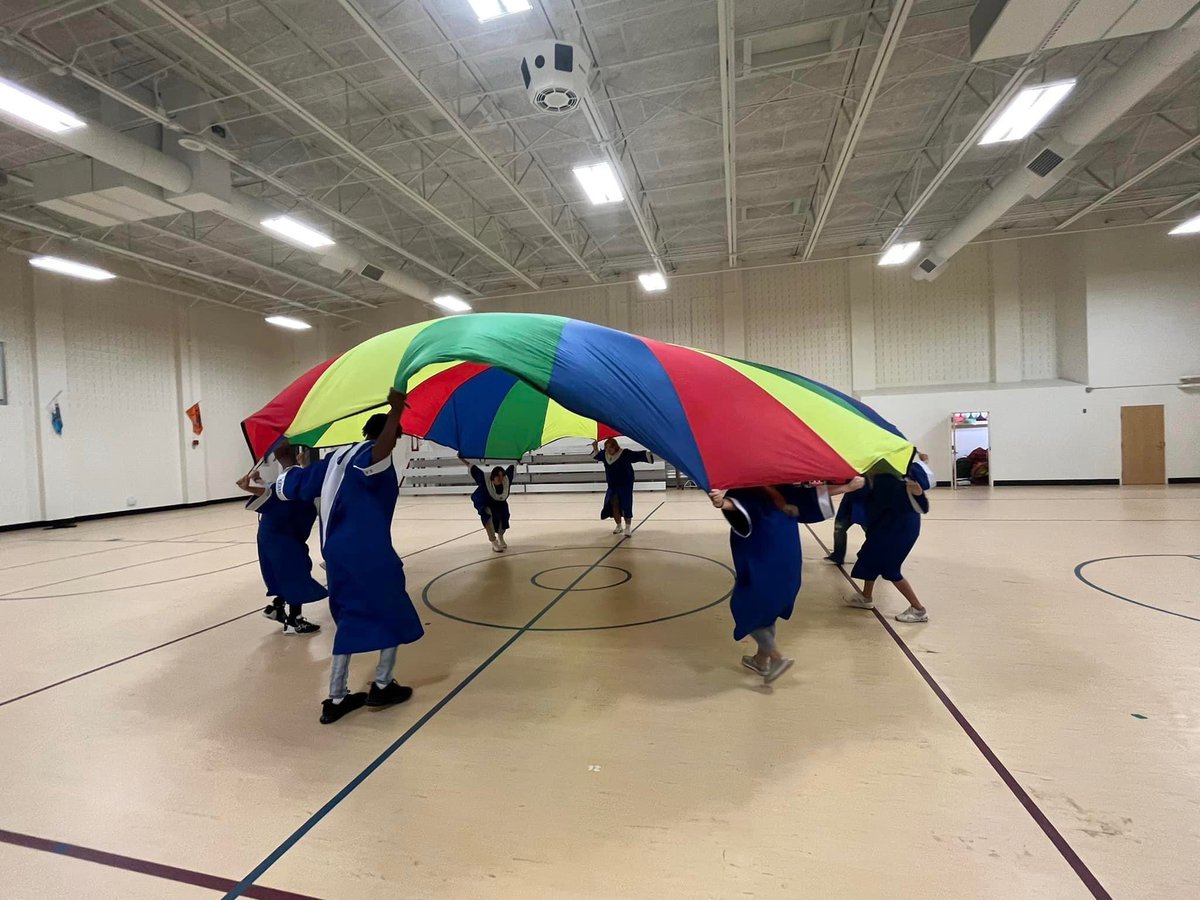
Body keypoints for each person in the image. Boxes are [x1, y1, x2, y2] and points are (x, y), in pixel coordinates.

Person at [276, 388, 425, 724]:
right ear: (393, 435)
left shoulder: (333, 461)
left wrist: (285, 456)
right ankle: (383, 684)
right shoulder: (372, 455)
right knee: (394, 611)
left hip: (336, 555)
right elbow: (380, 452)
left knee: (348, 618)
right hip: (368, 552)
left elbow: (292, 484)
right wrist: (396, 410)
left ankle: (337, 697)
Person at [710, 478, 863, 684]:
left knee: (746, 607)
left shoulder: (748, 487)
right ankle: (760, 660)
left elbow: (737, 506)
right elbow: (814, 500)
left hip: (761, 556)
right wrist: (848, 487)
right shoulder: (786, 485)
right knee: (769, 608)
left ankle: (776, 657)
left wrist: (721, 502)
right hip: (787, 556)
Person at [236, 443, 324, 636]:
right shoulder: (295, 477)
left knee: (283, 572)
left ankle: (276, 607)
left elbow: (275, 491)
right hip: (282, 534)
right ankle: (295, 620)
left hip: (272, 531)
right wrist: (251, 487)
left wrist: (256, 484)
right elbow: (274, 494)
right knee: (296, 573)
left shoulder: (287, 476)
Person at [844, 458, 930, 623]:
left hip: (900, 529)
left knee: (890, 568)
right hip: (884, 525)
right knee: (870, 558)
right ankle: (865, 597)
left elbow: (918, 492)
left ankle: (918, 609)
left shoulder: (897, 478)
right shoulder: (882, 477)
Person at [592, 438, 655, 536]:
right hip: (612, 485)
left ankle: (628, 527)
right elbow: (597, 456)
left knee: (626, 505)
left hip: (625, 485)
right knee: (614, 505)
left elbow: (637, 456)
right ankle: (619, 525)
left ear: (615, 447)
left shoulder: (624, 453)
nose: (608, 449)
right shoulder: (605, 455)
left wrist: (650, 451)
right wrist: (595, 447)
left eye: (611, 447)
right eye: (607, 447)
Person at [459, 456, 516, 552]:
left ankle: (501, 537)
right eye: (498, 476)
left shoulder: (506, 480)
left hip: (501, 505)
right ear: (493, 477)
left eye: (502, 476)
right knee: (487, 515)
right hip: (486, 503)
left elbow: (513, 467)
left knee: (504, 517)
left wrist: (519, 457)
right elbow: (473, 468)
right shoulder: (484, 480)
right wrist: (462, 459)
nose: (500, 479)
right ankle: (494, 542)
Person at [824, 479, 870, 566]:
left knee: (871, 533)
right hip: (849, 503)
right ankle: (838, 556)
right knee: (839, 529)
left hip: (867, 504)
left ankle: (866, 553)